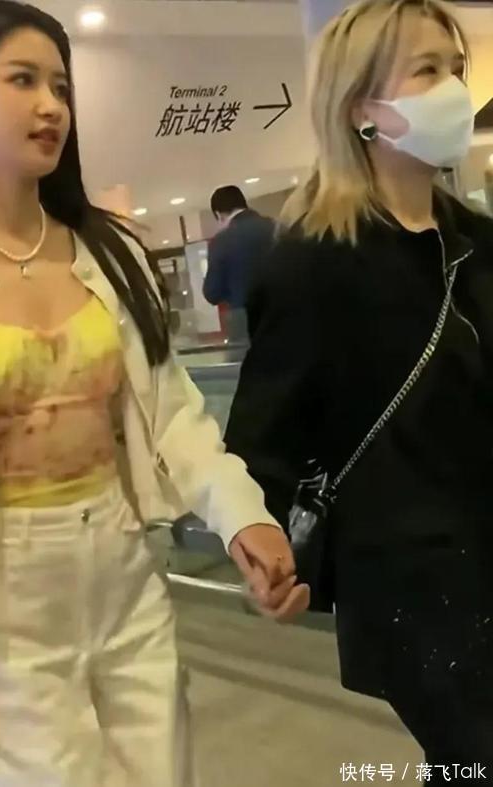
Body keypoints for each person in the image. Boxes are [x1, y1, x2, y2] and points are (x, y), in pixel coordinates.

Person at [0, 2, 310, 786]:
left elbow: (172, 413)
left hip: (127, 575)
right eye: (23, 80)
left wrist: (244, 514)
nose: (51, 106)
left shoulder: (112, 248)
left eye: (60, 87)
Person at [225, 0, 493, 776]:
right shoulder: (314, 261)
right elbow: (266, 433)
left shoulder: (476, 244)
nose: (453, 89)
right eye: (425, 71)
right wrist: (266, 550)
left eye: (455, 69)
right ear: (361, 108)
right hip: (409, 581)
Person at [203, 186, 275, 342]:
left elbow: (212, 293)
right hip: (286, 318)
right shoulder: (277, 227)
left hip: (245, 328)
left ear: (219, 214)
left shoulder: (222, 240)